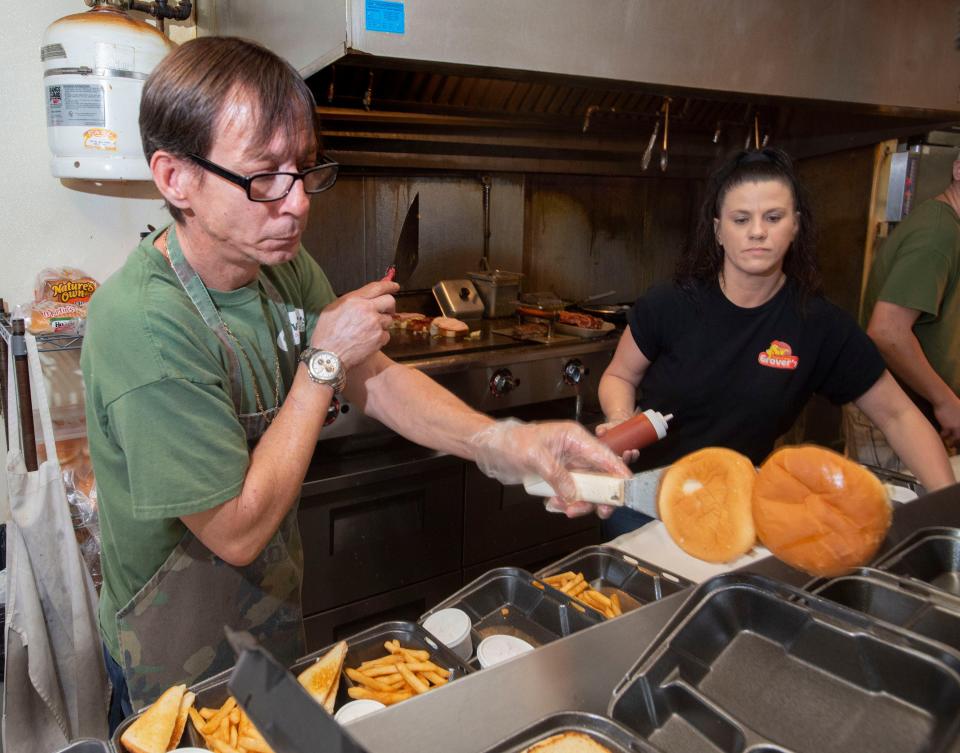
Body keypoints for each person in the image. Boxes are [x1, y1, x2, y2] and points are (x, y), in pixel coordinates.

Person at [81, 37, 628, 730]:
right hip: (173, 658)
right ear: (175, 178)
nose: (297, 203)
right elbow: (237, 528)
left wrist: (507, 444)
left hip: (268, 617)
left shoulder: (275, 261)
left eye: (303, 171)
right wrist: (320, 362)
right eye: (263, 177)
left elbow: (378, 378)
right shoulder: (144, 325)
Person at [596, 147, 956, 539]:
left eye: (773, 217)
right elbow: (620, 375)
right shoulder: (671, 303)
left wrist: (950, 512)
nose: (757, 231)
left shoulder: (818, 326)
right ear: (718, 230)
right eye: (740, 219)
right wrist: (619, 418)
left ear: (796, 225)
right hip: (643, 505)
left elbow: (897, 416)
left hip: (733, 512)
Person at [845, 150, 960, 471]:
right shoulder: (938, 234)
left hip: (916, 407)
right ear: (958, 169)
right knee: (896, 515)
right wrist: (946, 401)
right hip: (897, 409)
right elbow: (887, 332)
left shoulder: (947, 227)